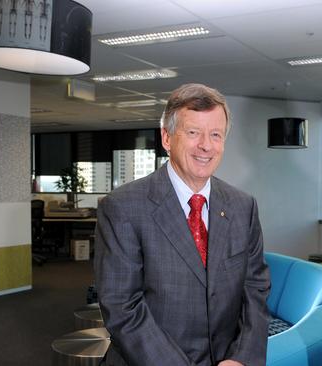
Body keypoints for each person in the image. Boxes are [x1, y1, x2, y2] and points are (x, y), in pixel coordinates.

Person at [94, 83, 270, 366]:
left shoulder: (243, 206)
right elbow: (122, 306)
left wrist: (242, 358)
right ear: (167, 137)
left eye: (216, 134)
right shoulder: (122, 207)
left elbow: (255, 288)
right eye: (193, 132)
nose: (205, 145)